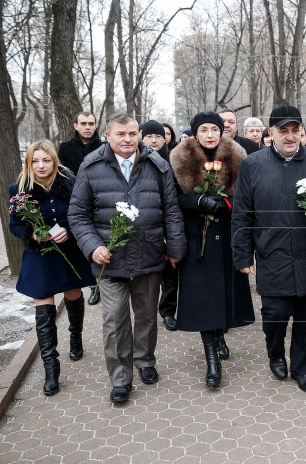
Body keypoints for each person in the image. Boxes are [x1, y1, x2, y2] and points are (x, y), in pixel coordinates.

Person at [68, 113, 187, 403]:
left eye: (133, 134)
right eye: (121, 134)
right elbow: (78, 214)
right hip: (109, 261)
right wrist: (92, 246)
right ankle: (121, 378)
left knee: (146, 316)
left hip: (148, 255)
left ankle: (145, 361)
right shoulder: (91, 166)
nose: (127, 139)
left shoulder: (158, 165)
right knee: (115, 321)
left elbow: (172, 210)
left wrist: (175, 247)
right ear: (107, 136)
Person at [232, 105, 306, 393]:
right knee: (275, 314)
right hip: (271, 253)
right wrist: (242, 254)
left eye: (295, 131)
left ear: (302, 132)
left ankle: (302, 369)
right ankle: (276, 354)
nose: (290, 137)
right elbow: (242, 214)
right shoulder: (252, 165)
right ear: (271, 133)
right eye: (283, 131)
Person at [170, 111, 255, 387]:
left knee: (224, 291)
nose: (209, 135)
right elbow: (173, 201)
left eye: (214, 130)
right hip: (197, 239)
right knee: (205, 297)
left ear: (222, 132)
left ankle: (220, 334)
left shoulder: (236, 155)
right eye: (204, 130)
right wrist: (197, 203)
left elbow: (245, 196)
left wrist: (225, 204)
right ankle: (212, 361)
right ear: (195, 133)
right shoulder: (180, 158)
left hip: (228, 235)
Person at [9, 140, 95, 396]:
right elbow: (14, 225)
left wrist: (69, 229)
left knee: (73, 295)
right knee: (44, 309)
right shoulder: (19, 189)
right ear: (28, 163)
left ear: (54, 161)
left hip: (69, 252)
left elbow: (84, 212)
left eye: (46, 160)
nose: (41, 165)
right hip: (40, 256)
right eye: (35, 161)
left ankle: (76, 338)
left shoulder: (71, 182)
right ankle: (51, 368)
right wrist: (32, 234)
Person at [57, 111, 104, 305]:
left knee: (99, 241)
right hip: (75, 200)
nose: (87, 127)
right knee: (81, 242)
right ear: (75, 126)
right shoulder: (65, 148)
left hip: (101, 200)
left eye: (91, 123)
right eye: (83, 123)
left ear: (95, 126)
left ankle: (100, 283)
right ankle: (92, 285)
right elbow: (62, 174)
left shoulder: (103, 147)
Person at [141, 120, 178, 331]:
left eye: (158, 136)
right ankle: (147, 313)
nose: (154, 140)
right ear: (142, 138)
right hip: (146, 223)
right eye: (149, 136)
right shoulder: (136, 160)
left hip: (170, 220)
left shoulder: (173, 160)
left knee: (171, 272)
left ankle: (167, 311)